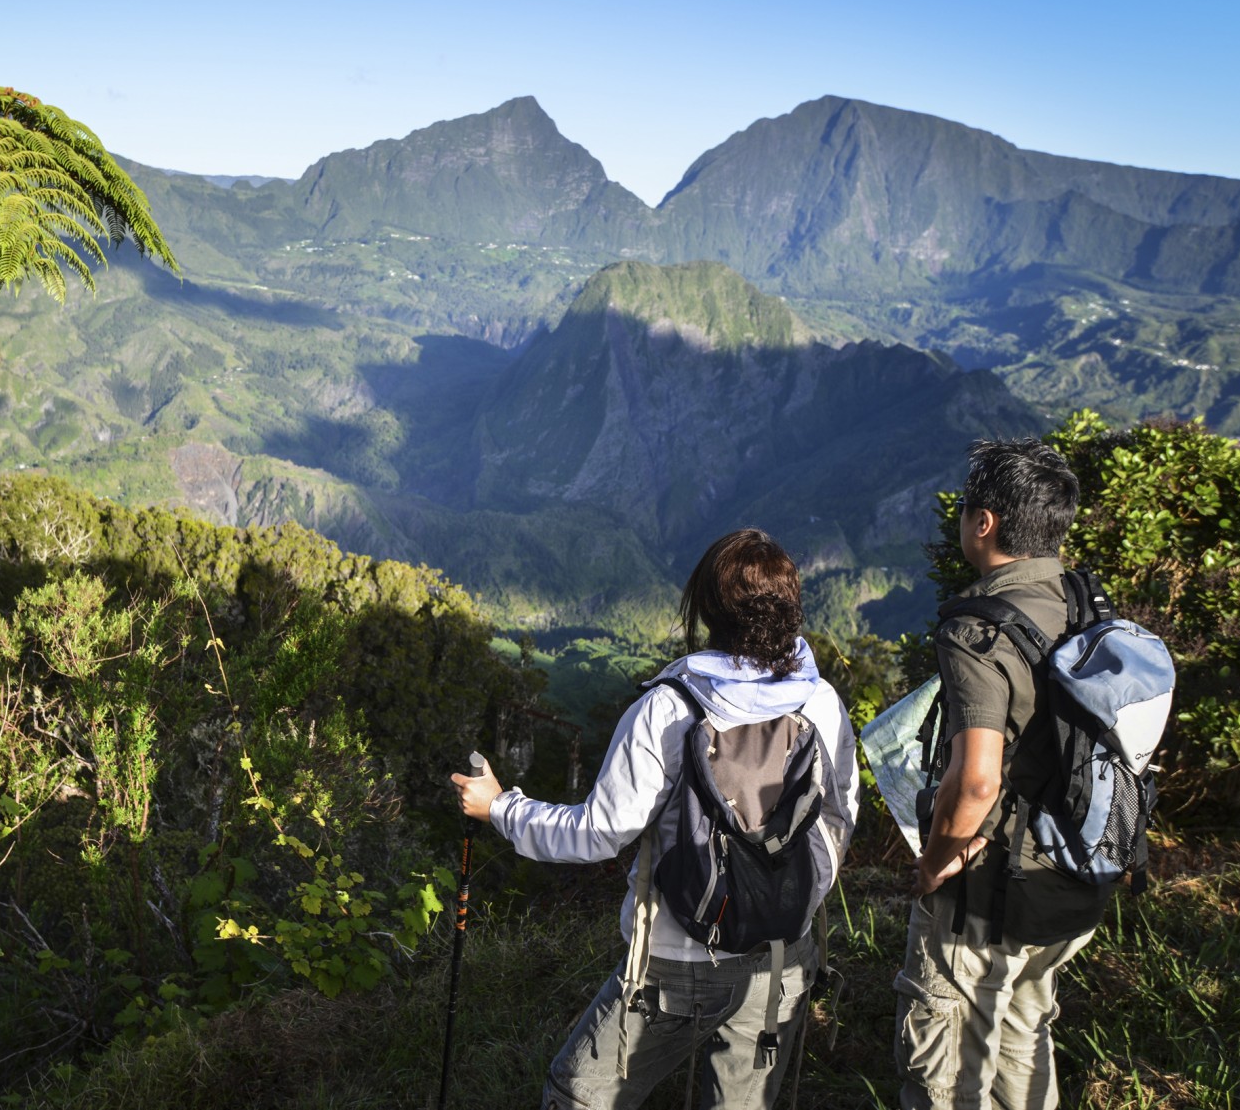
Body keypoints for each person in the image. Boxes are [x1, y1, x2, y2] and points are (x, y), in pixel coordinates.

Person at [453, 527, 858, 1110]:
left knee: (579, 1095)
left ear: (709, 611)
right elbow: (838, 817)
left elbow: (598, 833)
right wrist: (790, 899)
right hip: (782, 960)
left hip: (675, 963)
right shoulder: (819, 701)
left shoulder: (669, 709)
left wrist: (500, 808)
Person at [896, 438, 1098, 1109]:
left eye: (966, 510)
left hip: (990, 889)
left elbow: (976, 779)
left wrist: (933, 863)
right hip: (1071, 873)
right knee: (1021, 1034)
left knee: (945, 1057)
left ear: (985, 523)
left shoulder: (979, 629)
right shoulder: (1081, 601)